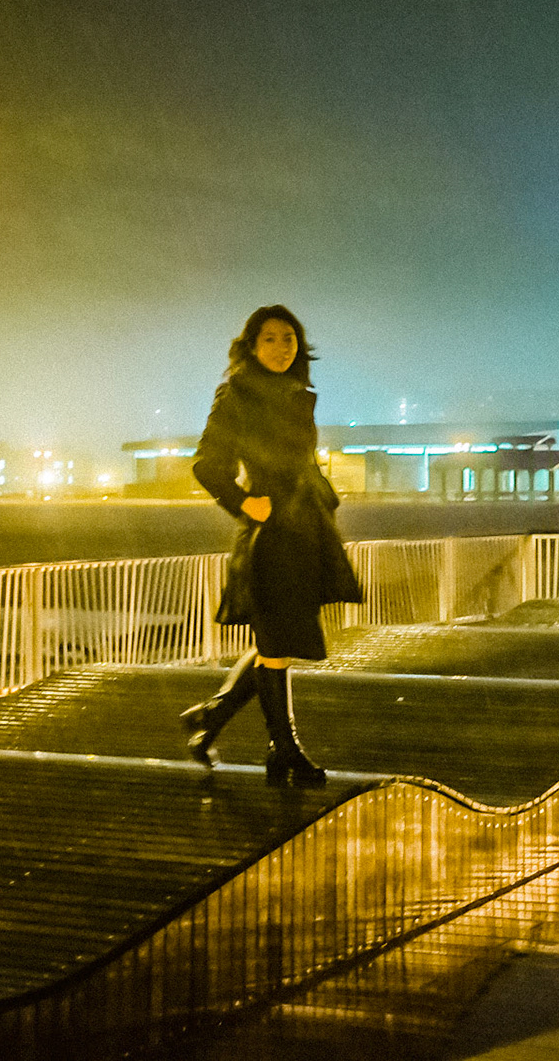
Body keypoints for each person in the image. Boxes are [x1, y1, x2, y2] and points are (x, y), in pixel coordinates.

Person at [180, 306, 362, 783]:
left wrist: (323, 494)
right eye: (270, 339)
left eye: (289, 338)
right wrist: (243, 503)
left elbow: (301, 461)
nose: (281, 347)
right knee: (278, 643)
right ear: (251, 346)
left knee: (275, 640)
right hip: (269, 535)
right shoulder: (237, 394)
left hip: (305, 529)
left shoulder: (299, 395)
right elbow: (206, 465)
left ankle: (212, 717)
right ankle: (284, 749)